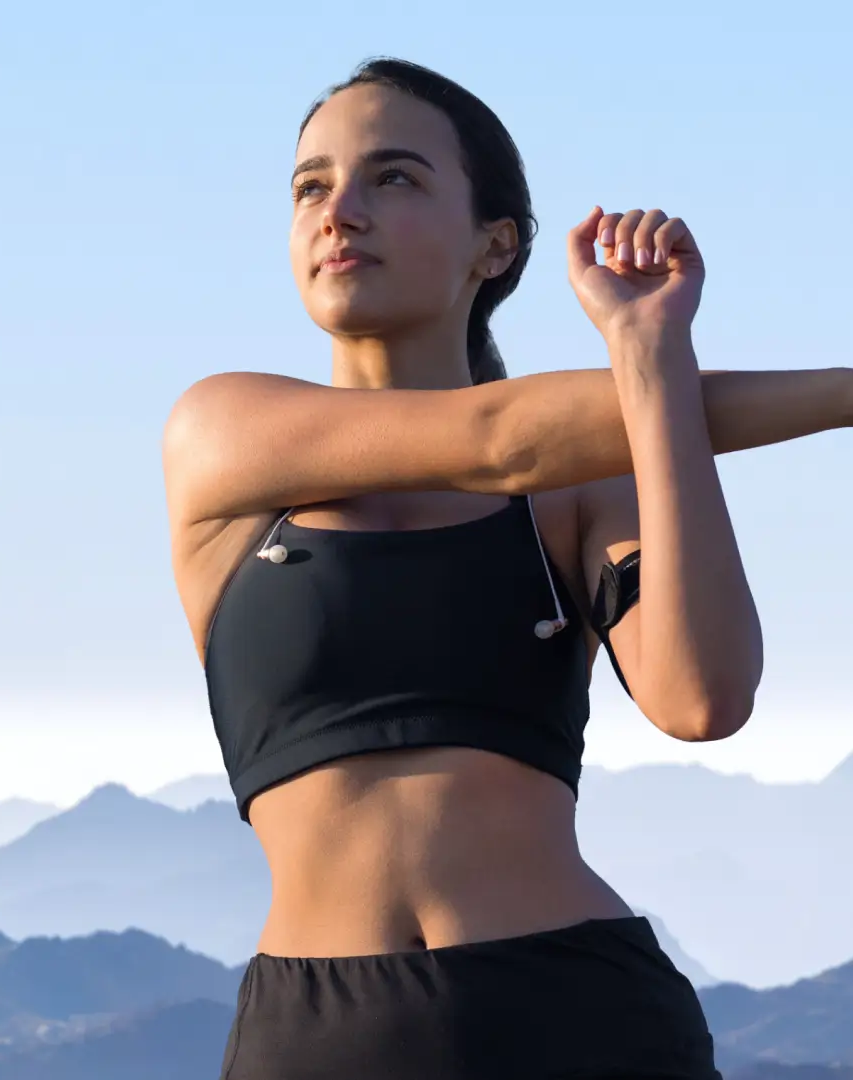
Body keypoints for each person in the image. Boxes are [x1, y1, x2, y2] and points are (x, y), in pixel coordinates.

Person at [161, 57, 853, 1079]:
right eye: (310, 184)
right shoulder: (222, 431)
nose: (338, 210)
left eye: (391, 177)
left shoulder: (577, 489)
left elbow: (702, 698)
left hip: (577, 1013)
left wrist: (649, 349)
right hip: (313, 1035)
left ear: (495, 244)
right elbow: (494, 440)